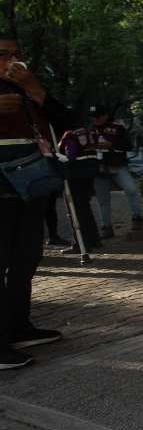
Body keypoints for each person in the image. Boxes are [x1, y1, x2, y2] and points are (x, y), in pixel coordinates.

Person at [0, 33, 72, 369]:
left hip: (29, 184)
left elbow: (66, 122)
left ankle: (18, 325)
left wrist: (35, 89)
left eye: (16, 53)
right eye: (3, 54)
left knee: (26, 257)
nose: (11, 60)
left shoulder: (26, 89)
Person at [90, 105, 143, 237]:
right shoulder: (89, 130)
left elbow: (128, 146)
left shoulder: (117, 128)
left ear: (105, 116)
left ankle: (137, 218)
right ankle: (106, 227)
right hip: (99, 168)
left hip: (117, 165)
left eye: (98, 117)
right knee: (103, 200)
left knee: (132, 190)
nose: (95, 120)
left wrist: (111, 145)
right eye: (93, 117)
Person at [58, 121, 103, 253]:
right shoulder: (89, 133)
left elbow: (69, 156)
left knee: (75, 210)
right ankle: (94, 240)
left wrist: (56, 157)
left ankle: (81, 243)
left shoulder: (69, 136)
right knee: (85, 208)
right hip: (89, 174)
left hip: (75, 176)